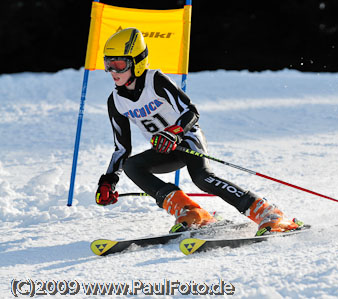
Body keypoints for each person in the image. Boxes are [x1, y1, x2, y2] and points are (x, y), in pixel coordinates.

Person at [95, 28, 302, 235]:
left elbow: (191, 112)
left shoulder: (155, 81)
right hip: (165, 149)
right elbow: (122, 148)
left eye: (119, 65)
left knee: (202, 178)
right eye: (109, 64)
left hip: (187, 140)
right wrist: (109, 181)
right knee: (132, 166)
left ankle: (268, 213)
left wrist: (174, 132)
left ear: (137, 61)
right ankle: (191, 212)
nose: (113, 72)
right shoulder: (116, 101)